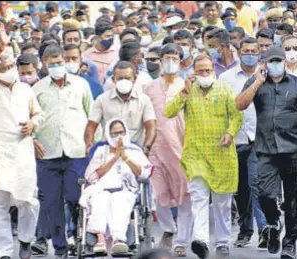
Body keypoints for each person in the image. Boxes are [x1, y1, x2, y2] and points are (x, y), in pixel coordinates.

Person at [164, 55, 244, 259]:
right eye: (200, 71)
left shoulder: (224, 89)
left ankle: (223, 241)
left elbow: (237, 115)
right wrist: (184, 92)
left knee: (222, 201)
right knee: (198, 199)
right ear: (194, 72)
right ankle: (201, 240)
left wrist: (230, 133)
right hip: (196, 155)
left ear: (213, 71)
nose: (205, 74)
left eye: (208, 70)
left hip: (222, 155)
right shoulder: (187, 91)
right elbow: (169, 113)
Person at [0, 23, 44, 259]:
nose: (10, 70)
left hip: (22, 153)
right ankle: (3, 253)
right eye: (4, 67)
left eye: (12, 65)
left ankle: (26, 240)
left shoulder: (26, 90)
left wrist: (33, 124)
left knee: (29, 201)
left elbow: (38, 114)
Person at [236, 46, 297, 259]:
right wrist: (256, 82)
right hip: (266, 148)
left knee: (292, 199)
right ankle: (274, 222)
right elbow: (239, 104)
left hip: (293, 148)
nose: (275, 65)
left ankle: (289, 245)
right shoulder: (257, 82)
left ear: (285, 62)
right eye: (270, 61)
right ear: (265, 63)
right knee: (265, 193)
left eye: (278, 61)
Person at [32, 43, 93, 259]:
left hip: (76, 151)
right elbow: (29, 119)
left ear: (65, 62)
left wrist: (91, 143)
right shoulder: (36, 89)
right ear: (44, 65)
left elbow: (91, 114)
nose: (57, 67)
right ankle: (60, 247)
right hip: (47, 154)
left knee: (76, 197)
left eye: (60, 63)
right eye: (52, 64)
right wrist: (32, 140)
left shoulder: (81, 85)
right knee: (51, 202)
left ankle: (79, 234)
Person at [219, 38, 268, 249]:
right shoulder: (226, 78)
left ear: (259, 54)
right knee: (241, 190)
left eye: (253, 51)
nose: (249, 54)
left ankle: (265, 229)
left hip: (259, 138)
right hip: (234, 138)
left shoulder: (266, 75)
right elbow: (222, 108)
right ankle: (245, 230)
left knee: (256, 184)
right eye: (246, 51)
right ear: (239, 53)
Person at [144, 43, 193, 257]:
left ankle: (181, 241)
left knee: (186, 198)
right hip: (155, 150)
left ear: (181, 61)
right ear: (161, 61)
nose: (170, 62)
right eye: (166, 58)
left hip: (182, 150)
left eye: (174, 58)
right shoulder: (150, 88)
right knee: (157, 196)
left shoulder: (187, 86)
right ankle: (169, 228)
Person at [81, 118, 153, 254]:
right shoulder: (101, 151)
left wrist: (125, 157)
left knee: (119, 200)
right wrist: (114, 157)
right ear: (108, 134)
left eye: (121, 132)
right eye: (114, 133)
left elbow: (145, 173)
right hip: (101, 189)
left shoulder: (134, 151)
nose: (118, 136)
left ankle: (118, 240)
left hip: (125, 190)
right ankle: (99, 238)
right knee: (100, 199)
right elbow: (91, 176)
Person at [84, 60, 157, 154]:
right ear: (113, 79)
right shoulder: (102, 99)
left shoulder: (144, 100)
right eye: (120, 78)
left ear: (134, 79)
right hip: (108, 152)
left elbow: (151, 127)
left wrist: (146, 148)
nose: (124, 81)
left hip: (135, 151)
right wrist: (89, 146)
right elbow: (91, 126)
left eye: (127, 78)